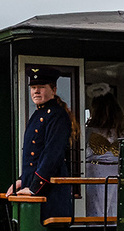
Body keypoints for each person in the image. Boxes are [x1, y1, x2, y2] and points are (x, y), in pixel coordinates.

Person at [7, 66, 75, 220]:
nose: (36, 91)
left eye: (42, 87)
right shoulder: (37, 115)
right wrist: (21, 180)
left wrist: (33, 188)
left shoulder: (57, 115)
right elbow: (33, 157)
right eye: (33, 87)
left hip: (50, 192)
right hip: (35, 188)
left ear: (54, 90)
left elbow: (52, 154)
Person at [85, 84, 124, 217]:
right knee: (115, 210)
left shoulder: (89, 131)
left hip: (94, 174)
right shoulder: (123, 130)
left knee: (96, 212)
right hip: (117, 172)